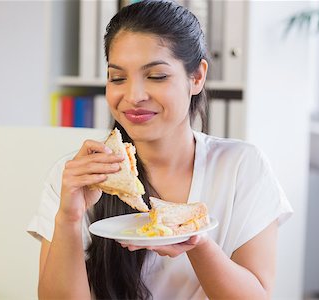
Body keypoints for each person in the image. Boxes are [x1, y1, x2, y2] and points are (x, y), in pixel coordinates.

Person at [27, 1, 293, 299]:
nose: (134, 96)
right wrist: (69, 217)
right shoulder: (75, 177)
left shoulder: (242, 167)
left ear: (197, 77)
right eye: (118, 78)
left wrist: (197, 244)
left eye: (156, 76)